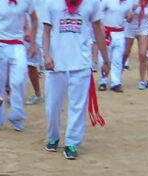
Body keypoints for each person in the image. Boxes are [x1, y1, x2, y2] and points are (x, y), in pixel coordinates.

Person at [42, 0, 110, 159]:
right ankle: (53, 136)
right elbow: (46, 31)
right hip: (56, 63)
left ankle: (72, 142)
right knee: (52, 105)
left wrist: (105, 60)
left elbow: (98, 31)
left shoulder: (92, 3)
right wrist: (46, 55)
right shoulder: (51, 2)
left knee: (78, 106)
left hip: (81, 63)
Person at [0, 0, 39, 133]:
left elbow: (34, 19)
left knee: (19, 80)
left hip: (17, 44)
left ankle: (16, 116)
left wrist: (33, 43)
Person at [97, 0, 134, 92]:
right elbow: (98, 12)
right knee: (104, 57)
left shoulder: (129, 3)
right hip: (107, 31)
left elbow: (127, 18)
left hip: (120, 31)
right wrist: (101, 26)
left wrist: (130, 17)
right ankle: (103, 80)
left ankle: (116, 82)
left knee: (117, 59)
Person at [134, 0, 148, 88]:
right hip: (131, 26)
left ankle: (141, 80)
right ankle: (117, 79)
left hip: (144, 27)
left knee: (142, 54)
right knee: (125, 53)